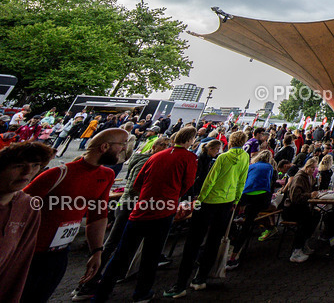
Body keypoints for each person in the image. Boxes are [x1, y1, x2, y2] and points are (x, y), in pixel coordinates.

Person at [92, 127, 198, 303]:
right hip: (164, 211)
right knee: (152, 255)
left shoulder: (156, 156)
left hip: (140, 210)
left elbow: (137, 183)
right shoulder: (188, 157)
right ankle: (141, 293)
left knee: (121, 253)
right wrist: (170, 196)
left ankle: (101, 293)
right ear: (190, 140)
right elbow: (188, 184)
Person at [21, 128, 126, 303]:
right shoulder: (58, 173)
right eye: (121, 145)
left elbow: (98, 215)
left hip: (60, 253)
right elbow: (16, 206)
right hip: (29, 252)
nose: (124, 149)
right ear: (105, 147)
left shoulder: (106, 175)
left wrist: (97, 251)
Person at [165, 129, 249, 296]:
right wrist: (236, 199)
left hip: (209, 201)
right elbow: (242, 179)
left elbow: (211, 179)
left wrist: (200, 199)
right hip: (227, 201)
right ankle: (201, 278)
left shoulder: (222, 157)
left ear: (230, 142)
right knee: (214, 241)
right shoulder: (245, 157)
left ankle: (180, 285)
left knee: (193, 242)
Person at [0, 142, 53, 301]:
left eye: (35, 165)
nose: (28, 172)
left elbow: (20, 262)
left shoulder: (29, 206)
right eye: (18, 165)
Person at [283, 158, 319, 263]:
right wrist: (309, 195)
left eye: (315, 168)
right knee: (306, 220)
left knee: (316, 215)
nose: (314, 170)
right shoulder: (299, 178)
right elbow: (295, 197)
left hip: (301, 207)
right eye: (312, 168)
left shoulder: (309, 177)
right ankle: (297, 250)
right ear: (306, 167)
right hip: (292, 209)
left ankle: (304, 243)